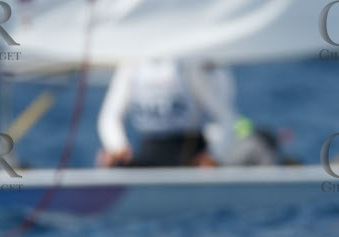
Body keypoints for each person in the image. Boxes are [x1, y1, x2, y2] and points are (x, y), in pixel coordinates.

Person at [96, 58, 236, 168]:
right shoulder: (132, 66)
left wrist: (214, 155)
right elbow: (109, 117)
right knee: (113, 165)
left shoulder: (188, 65)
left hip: (189, 155)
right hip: (150, 153)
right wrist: (117, 146)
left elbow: (225, 117)